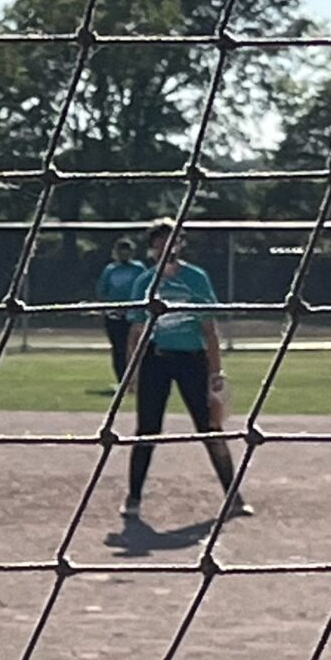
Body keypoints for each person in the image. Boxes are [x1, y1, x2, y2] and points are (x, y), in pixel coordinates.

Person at [124, 222, 250, 526]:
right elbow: (137, 331)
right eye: (161, 243)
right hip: (157, 360)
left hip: (191, 360)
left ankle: (233, 496)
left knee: (210, 428)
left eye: (173, 242)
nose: (167, 248)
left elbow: (209, 329)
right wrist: (132, 372)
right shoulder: (144, 281)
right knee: (146, 431)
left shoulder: (195, 278)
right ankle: (134, 497)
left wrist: (216, 370)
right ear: (152, 248)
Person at [95, 235, 144, 382]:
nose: (124, 254)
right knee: (119, 349)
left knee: (136, 348)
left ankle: (138, 379)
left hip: (134, 314)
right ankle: (122, 380)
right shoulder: (110, 269)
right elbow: (102, 291)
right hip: (114, 315)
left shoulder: (138, 268)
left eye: (127, 250)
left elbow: (145, 287)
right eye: (121, 250)